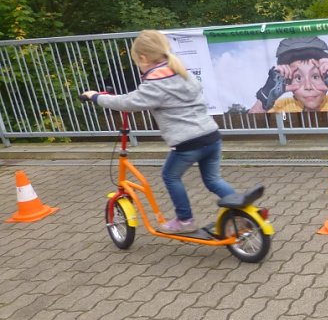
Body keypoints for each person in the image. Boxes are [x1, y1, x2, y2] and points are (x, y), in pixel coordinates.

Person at [82, 30, 235, 234]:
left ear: (143, 58)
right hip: (211, 136)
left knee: (170, 176)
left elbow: (128, 102)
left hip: (188, 142)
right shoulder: (181, 72)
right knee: (213, 180)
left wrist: (95, 97)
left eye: (137, 62)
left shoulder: (156, 83)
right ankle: (240, 212)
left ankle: (185, 220)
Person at [249, 36, 328, 113]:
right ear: (286, 81)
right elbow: (248, 126)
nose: (308, 86)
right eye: (298, 77)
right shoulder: (282, 106)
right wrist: (265, 96)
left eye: (315, 76)